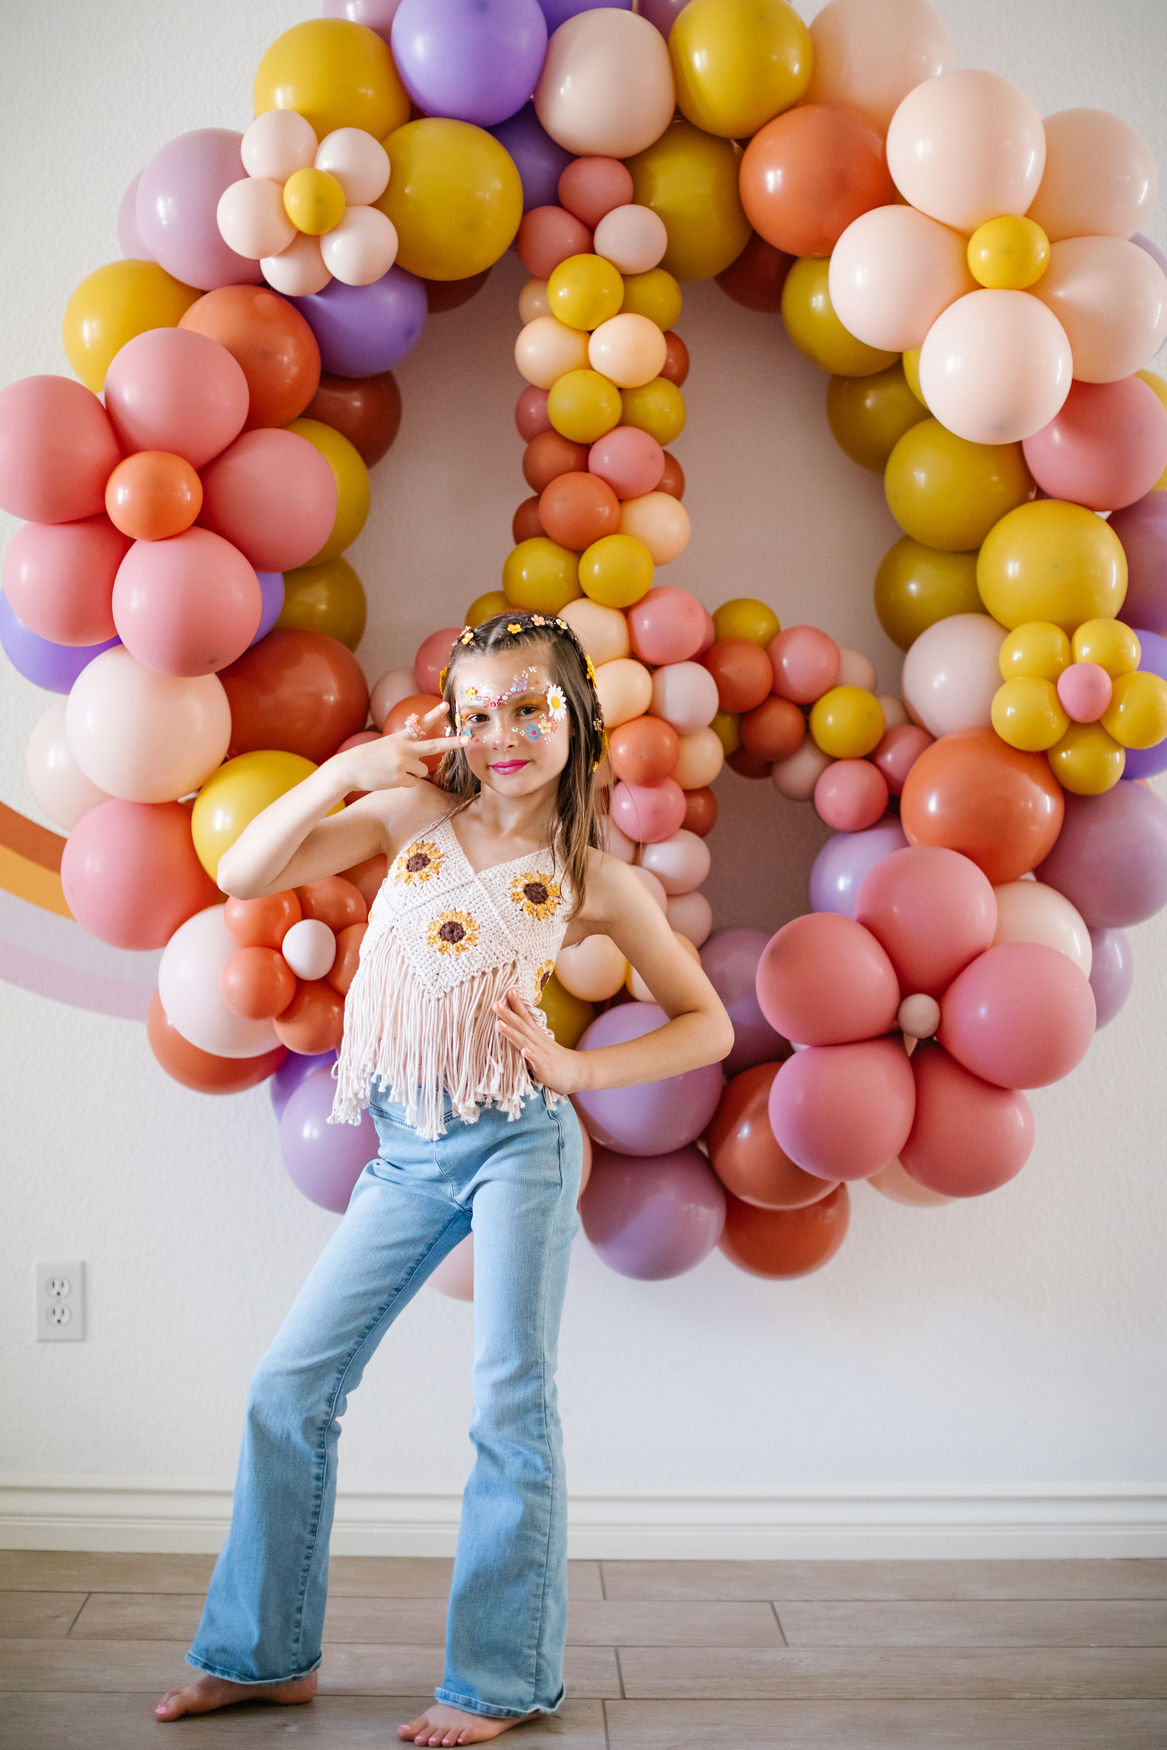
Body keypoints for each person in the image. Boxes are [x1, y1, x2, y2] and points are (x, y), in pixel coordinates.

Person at [154, 610, 733, 1746]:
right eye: (480, 712)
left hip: (520, 1141)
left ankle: (499, 1680)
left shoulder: (596, 882)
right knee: (289, 1386)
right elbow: (241, 866)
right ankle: (264, 1654)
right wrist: (342, 770)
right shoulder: (415, 813)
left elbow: (706, 1024)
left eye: (530, 706)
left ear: (575, 715)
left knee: (509, 1400)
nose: (504, 731)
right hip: (407, 1153)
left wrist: (578, 1066)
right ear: (455, 727)